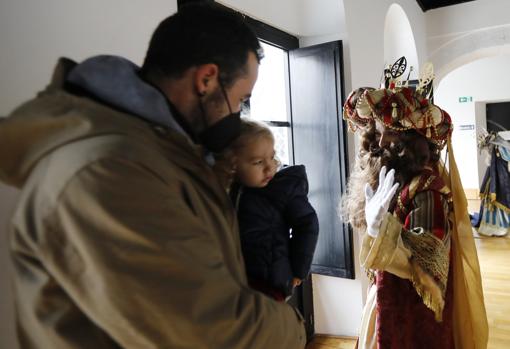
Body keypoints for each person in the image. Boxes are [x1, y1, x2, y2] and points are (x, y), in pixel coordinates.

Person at [0, 3, 306, 348]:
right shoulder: (107, 171)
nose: (238, 114)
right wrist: (294, 328)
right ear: (206, 80)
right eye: (240, 99)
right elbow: (208, 330)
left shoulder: (162, 153)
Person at [342, 82, 488, 348]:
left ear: (410, 139)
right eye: (378, 129)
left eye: (389, 131)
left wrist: (381, 229)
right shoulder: (397, 177)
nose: (381, 140)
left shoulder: (427, 190)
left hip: (412, 316)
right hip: (387, 301)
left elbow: (428, 260)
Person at [216, 119, 319, 302]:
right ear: (233, 164)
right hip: (234, 280)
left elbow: (307, 224)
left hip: (271, 280)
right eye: (258, 162)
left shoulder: (282, 188)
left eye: (272, 157)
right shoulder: (224, 192)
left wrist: (298, 270)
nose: (269, 167)